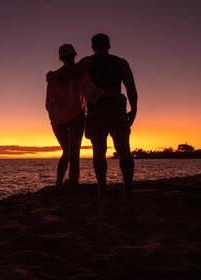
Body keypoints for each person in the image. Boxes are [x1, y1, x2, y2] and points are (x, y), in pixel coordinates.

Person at [47, 34, 137, 198]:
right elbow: (130, 89)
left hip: (91, 113)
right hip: (114, 110)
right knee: (124, 151)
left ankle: (100, 191)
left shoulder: (88, 62)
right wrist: (133, 108)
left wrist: (53, 74)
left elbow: (67, 75)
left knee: (96, 152)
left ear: (92, 47)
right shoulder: (121, 63)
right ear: (109, 45)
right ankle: (128, 192)